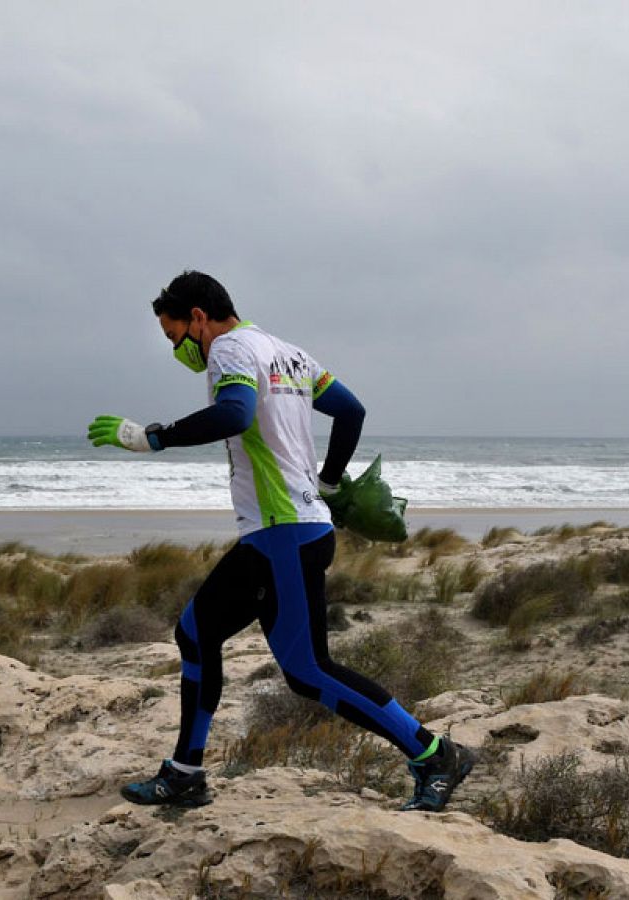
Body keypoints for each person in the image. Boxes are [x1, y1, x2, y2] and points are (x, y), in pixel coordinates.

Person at [86, 270, 475, 812]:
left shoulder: (228, 349)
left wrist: (151, 438)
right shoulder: (287, 353)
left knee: (309, 670)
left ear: (198, 317)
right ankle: (185, 772)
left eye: (176, 337)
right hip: (286, 532)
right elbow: (350, 410)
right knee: (196, 634)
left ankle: (434, 753)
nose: (179, 351)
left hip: (283, 536)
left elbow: (234, 413)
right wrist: (330, 481)